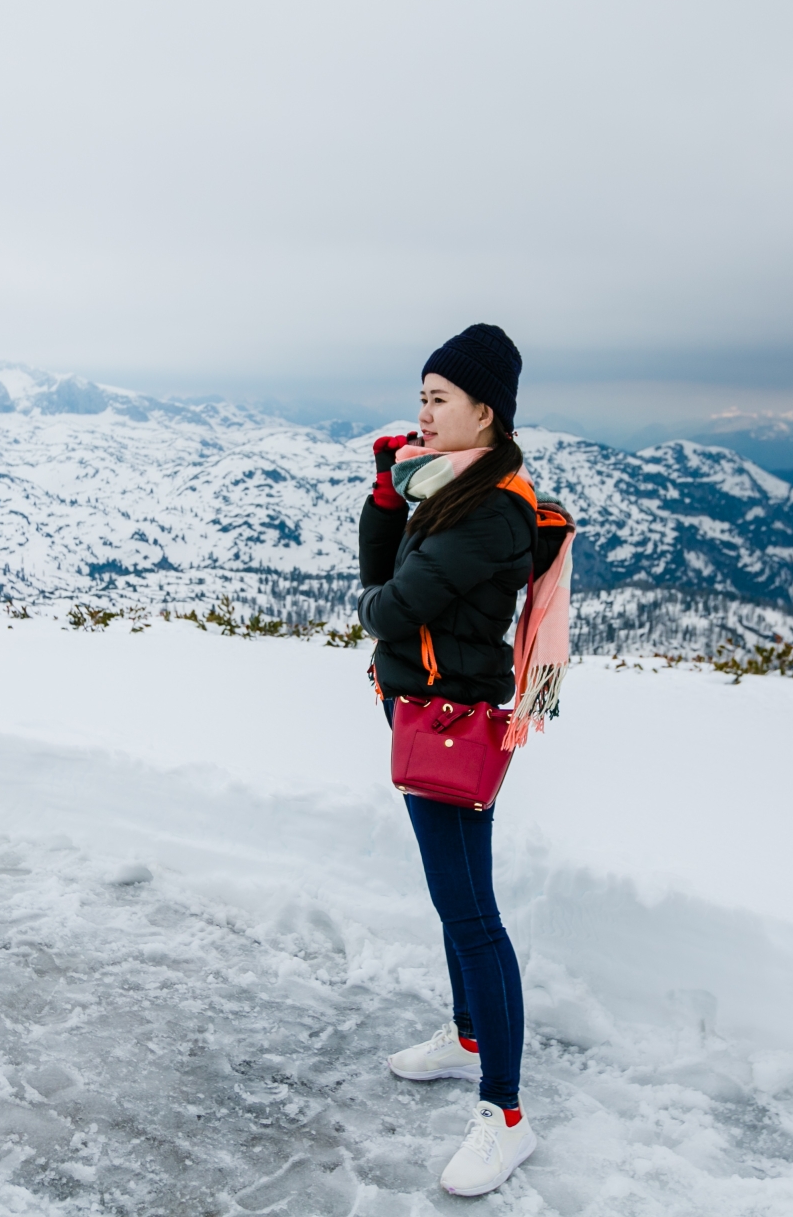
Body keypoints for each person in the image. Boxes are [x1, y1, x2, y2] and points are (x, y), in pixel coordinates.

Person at [357, 323, 544, 1197]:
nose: (424, 412)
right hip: (419, 713)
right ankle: (469, 1038)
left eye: (439, 398)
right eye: (421, 396)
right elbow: (383, 574)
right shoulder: (446, 490)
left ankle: (505, 1115)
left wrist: (382, 596)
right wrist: (386, 496)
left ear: (485, 411)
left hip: (453, 726)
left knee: (473, 915)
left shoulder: (494, 511)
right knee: (451, 898)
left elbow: (391, 607)